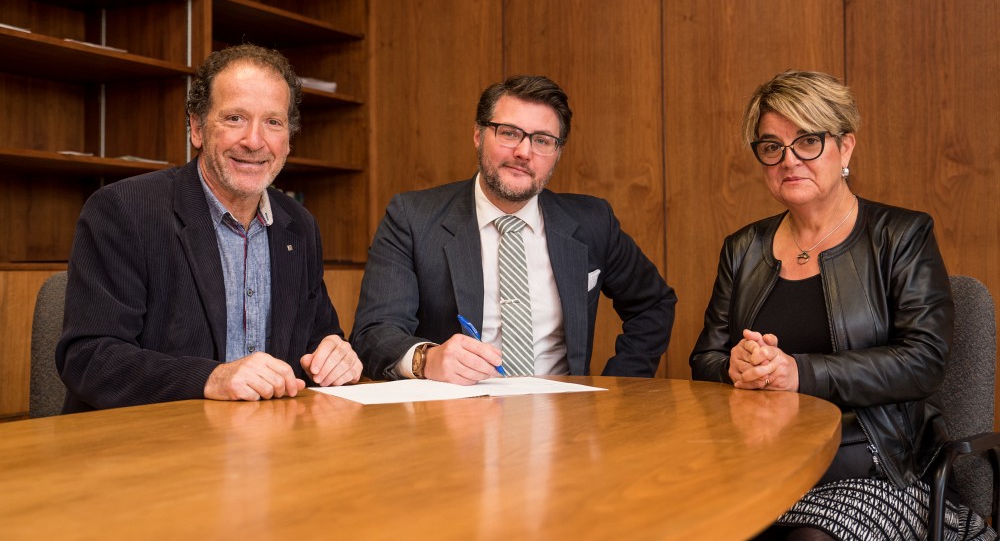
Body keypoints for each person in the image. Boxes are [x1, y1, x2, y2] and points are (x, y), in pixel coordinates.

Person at [690, 70, 992, 540]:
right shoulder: (743, 248)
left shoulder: (902, 235)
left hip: (879, 468)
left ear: (845, 147)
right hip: (761, 461)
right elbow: (703, 361)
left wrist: (799, 373)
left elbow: (924, 361)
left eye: (807, 141)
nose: (789, 160)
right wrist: (737, 367)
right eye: (772, 147)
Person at [56, 44, 362, 413]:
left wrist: (334, 355)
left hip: (271, 444)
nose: (254, 140)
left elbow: (317, 337)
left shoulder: (298, 225)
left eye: (273, 122)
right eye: (234, 118)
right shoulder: (124, 210)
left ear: (288, 140)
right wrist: (211, 378)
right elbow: (89, 359)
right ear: (197, 128)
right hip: (149, 448)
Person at [351, 74, 676, 383]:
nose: (523, 152)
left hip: (564, 422)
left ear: (557, 152)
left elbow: (653, 304)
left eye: (542, 140)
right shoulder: (413, 217)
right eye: (508, 133)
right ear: (478, 135)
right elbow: (375, 331)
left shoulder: (592, 222)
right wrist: (428, 360)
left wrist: (615, 388)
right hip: (452, 422)